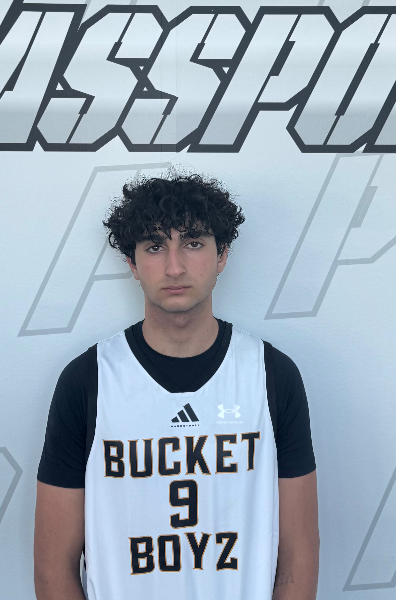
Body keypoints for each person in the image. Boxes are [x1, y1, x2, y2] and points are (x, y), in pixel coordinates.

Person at [34, 171, 319, 600]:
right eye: (154, 246)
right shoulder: (87, 379)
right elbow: (53, 567)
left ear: (222, 255)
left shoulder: (271, 374)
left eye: (194, 243)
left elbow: (299, 555)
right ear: (132, 263)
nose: (174, 267)